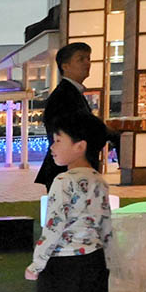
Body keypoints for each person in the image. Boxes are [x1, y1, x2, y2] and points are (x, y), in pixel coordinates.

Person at [22, 111, 113, 292]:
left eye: (58, 140)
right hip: (94, 260)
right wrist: (109, 259)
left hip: (61, 263)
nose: (52, 146)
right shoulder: (99, 180)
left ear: (80, 146)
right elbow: (106, 223)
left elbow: (54, 226)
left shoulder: (63, 181)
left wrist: (36, 264)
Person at [35, 42, 98, 191]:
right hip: (68, 170)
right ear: (65, 66)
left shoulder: (71, 93)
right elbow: (66, 131)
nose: (87, 63)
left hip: (70, 169)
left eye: (88, 58)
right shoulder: (64, 96)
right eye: (81, 59)